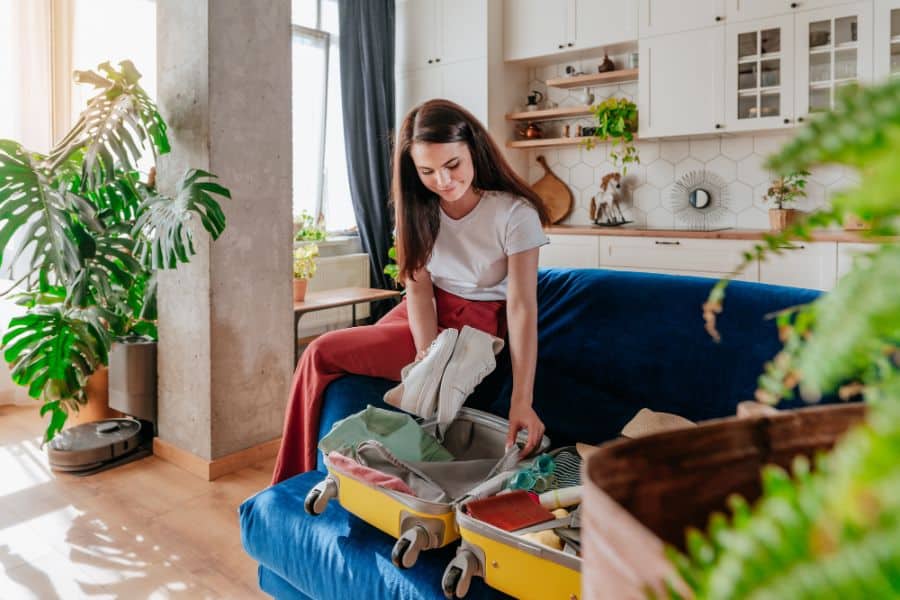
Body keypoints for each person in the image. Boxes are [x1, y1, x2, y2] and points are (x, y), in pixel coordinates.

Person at [271, 99, 549, 485]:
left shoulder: (514, 214)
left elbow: (521, 307)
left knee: (318, 352)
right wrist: (425, 356)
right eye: (427, 171)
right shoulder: (418, 214)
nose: (444, 181)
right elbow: (419, 295)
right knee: (325, 363)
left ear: (474, 150)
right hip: (422, 314)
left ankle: (292, 479)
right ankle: (304, 477)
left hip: (475, 322)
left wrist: (523, 399)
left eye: (452, 165)